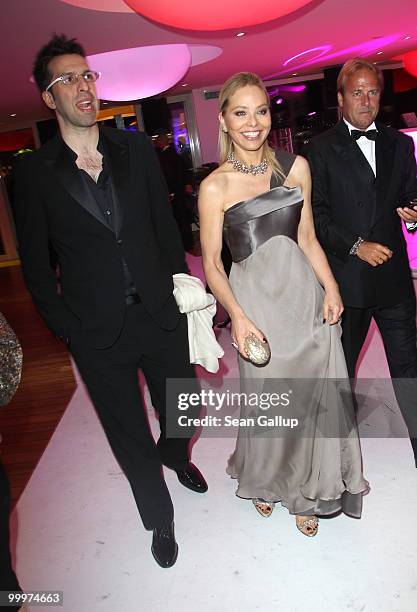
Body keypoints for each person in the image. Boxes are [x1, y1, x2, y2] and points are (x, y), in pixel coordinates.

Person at [12, 34, 207, 569]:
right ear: (49, 99)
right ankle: (158, 516)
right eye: (67, 80)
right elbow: (34, 265)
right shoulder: (32, 173)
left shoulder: (135, 148)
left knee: (182, 410)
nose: (82, 87)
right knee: (127, 432)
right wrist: (67, 327)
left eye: (87, 76)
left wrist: (179, 283)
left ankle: (175, 455)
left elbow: (164, 229)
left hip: (159, 314)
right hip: (96, 330)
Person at [198, 72, 368, 537]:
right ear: (224, 120)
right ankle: (268, 479)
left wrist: (331, 287)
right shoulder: (214, 186)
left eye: (260, 111)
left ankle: (306, 491)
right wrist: (237, 317)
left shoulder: (296, 168)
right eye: (240, 112)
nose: (253, 123)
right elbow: (212, 264)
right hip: (256, 304)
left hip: (302, 297)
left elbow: (309, 238)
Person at [306, 58, 417, 465]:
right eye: (357, 92)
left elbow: (411, 193)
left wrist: (415, 211)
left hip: (392, 280)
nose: (366, 100)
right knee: (341, 369)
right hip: (345, 283)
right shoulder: (318, 150)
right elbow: (314, 216)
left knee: (409, 366)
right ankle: (335, 454)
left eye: (373, 91)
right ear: (341, 98)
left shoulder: (401, 144)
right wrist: (356, 245)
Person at [155, 133, 193, 251]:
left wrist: (171, 192)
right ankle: (186, 244)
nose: (156, 144)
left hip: (175, 192)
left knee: (180, 220)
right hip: (178, 191)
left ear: (162, 142)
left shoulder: (166, 156)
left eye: (157, 141)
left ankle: (184, 245)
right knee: (182, 219)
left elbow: (171, 175)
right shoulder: (172, 154)